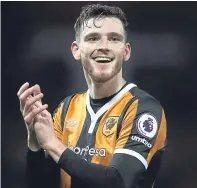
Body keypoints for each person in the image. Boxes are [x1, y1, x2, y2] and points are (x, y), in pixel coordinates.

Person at [17, 4, 167, 188]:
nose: (104, 46)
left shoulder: (144, 110)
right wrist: (36, 144)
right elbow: (41, 184)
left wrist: (53, 145)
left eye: (114, 39)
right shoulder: (66, 109)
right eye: (93, 38)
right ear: (76, 50)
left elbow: (119, 182)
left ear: (126, 51)